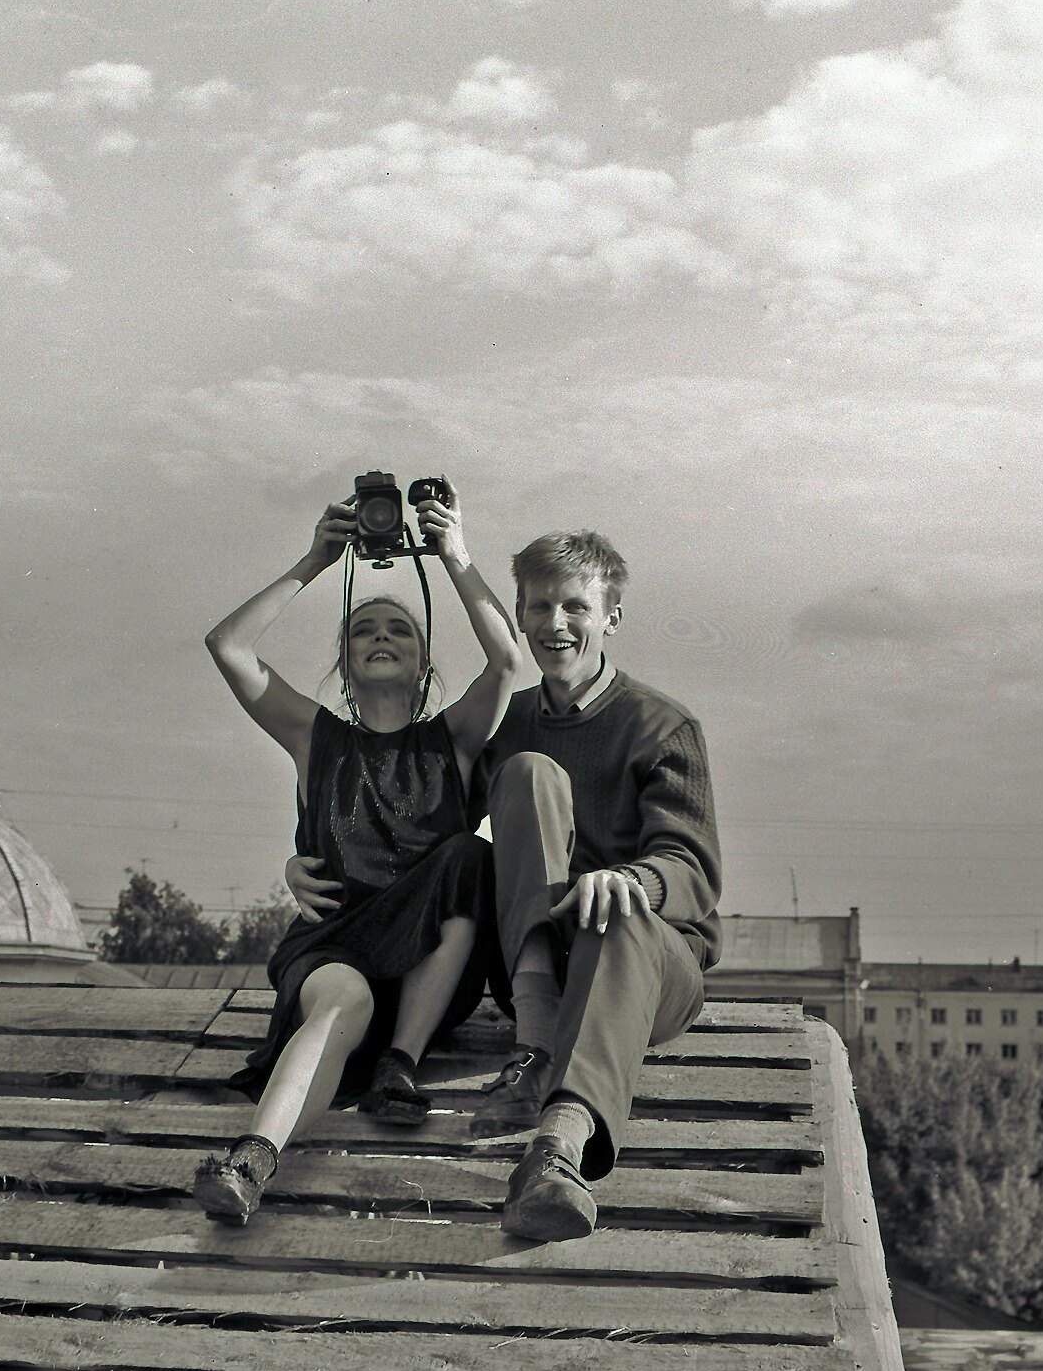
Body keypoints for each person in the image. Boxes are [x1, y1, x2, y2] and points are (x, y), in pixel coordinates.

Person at [289, 530, 722, 1243]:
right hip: (540, 968)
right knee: (526, 773)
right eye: (540, 606)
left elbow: (694, 869)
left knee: (617, 917)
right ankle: (535, 1039)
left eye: (576, 607)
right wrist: (306, 860)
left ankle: (557, 1150)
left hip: (646, 970)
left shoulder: (662, 726)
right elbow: (426, 837)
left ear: (610, 617)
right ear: (519, 614)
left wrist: (630, 880)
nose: (557, 623)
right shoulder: (511, 722)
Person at [194, 480, 522, 1224]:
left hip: (426, 973)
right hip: (334, 945)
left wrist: (453, 553)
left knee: (468, 858)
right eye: (362, 630)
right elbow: (228, 646)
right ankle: (250, 1162)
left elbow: (505, 661)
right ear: (343, 664)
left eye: (399, 630)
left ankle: (398, 1064)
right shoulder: (315, 738)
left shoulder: (452, 739)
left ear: (423, 662)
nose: (381, 635)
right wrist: (316, 559)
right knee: (344, 999)